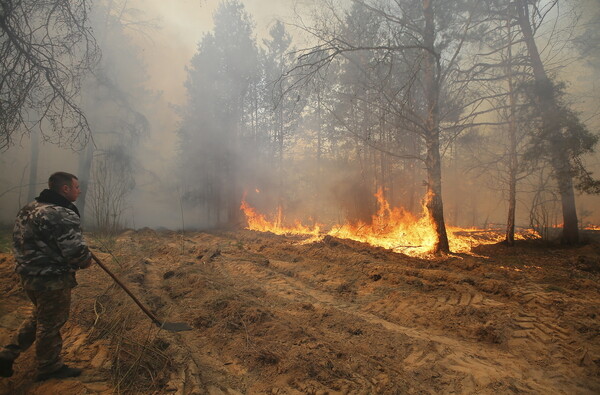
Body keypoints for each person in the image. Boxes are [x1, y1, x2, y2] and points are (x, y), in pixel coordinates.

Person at [0, 172, 92, 381]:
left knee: (39, 317)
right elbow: (75, 251)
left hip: (28, 275)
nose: (79, 190)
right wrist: (86, 259)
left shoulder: (29, 208)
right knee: (50, 323)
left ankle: (8, 352)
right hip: (52, 279)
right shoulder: (61, 213)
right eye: (76, 187)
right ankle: (48, 366)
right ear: (65, 189)